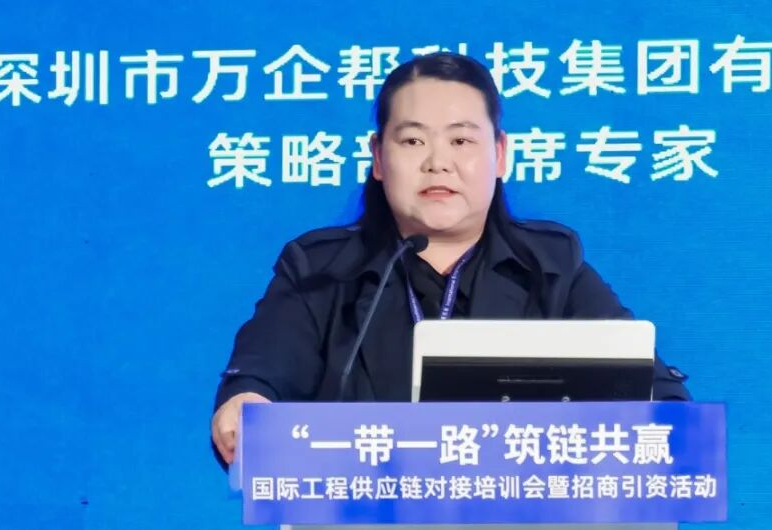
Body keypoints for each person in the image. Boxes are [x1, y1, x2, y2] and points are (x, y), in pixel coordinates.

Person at [210, 53, 689, 467]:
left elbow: (657, 395)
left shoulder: (552, 268)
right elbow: (263, 373)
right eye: (412, 141)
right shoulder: (318, 271)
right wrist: (245, 403)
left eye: (461, 141)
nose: (437, 162)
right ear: (378, 157)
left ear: (500, 154)